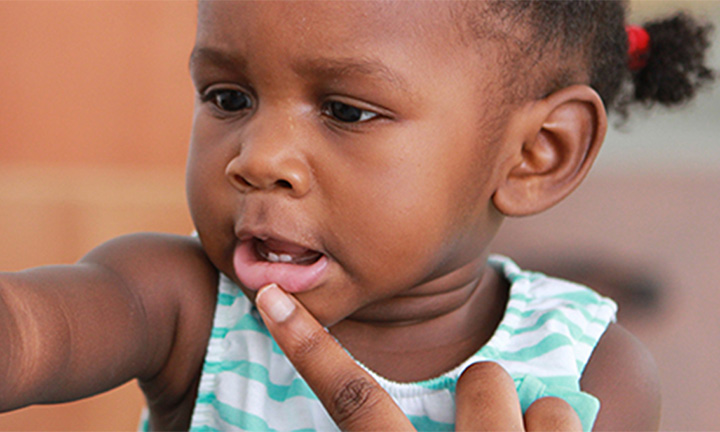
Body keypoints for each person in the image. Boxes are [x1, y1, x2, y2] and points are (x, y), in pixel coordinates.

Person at [0, 1, 713, 431]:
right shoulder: (182, 300)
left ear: (536, 154)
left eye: (345, 110)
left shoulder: (590, 372)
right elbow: (33, 332)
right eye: (227, 97)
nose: (257, 157)